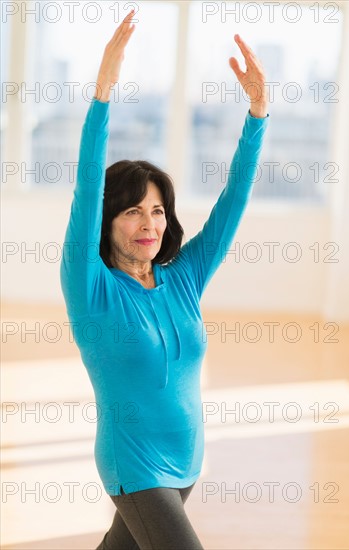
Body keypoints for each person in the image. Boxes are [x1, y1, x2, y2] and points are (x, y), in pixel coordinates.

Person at [60, 8, 269, 550]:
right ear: (107, 222)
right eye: (130, 211)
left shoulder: (184, 278)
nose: (147, 223)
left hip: (187, 463)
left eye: (155, 210)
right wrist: (103, 92)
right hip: (135, 465)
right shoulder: (92, 288)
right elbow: (87, 187)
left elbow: (233, 203)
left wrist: (258, 117)